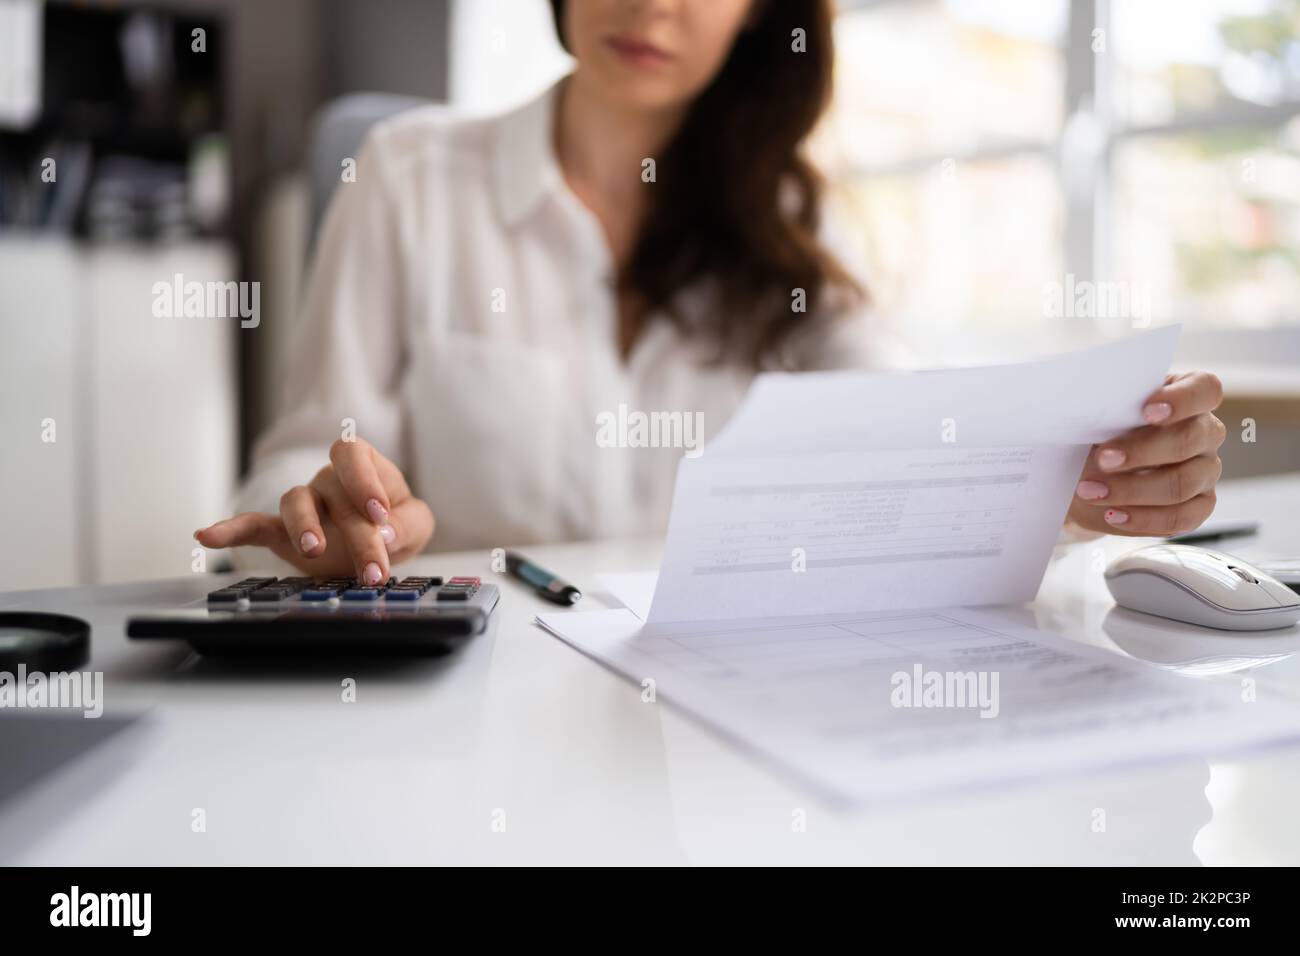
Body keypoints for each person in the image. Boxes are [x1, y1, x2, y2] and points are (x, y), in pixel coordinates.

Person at [197, 0, 1226, 585]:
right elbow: (300, 453)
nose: (656, 4)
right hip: (460, 711)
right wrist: (326, 517)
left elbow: (915, 434)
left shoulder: (786, 224)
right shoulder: (405, 176)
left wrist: (1086, 477)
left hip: (703, 721)